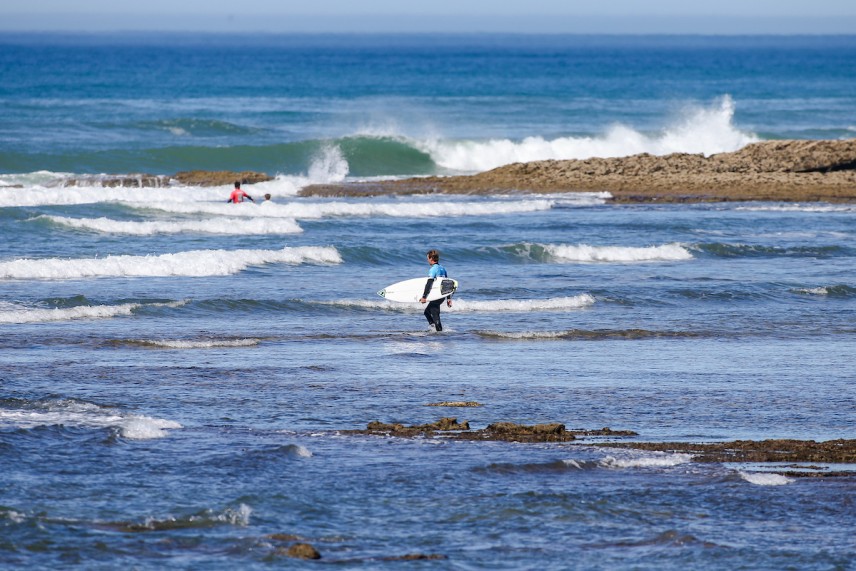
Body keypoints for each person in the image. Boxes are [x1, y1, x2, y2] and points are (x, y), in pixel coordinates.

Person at [419, 249, 452, 332]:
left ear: (431, 258)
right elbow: (447, 283)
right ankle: (435, 330)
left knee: (434, 314)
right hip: (441, 295)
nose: (427, 260)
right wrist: (448, 298)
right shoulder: (442, 268)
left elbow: (429, 283)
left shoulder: (433, 269)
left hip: (437, 295)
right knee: (428, 312)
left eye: (427, 258)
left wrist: (424, 297)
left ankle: (438, 333)